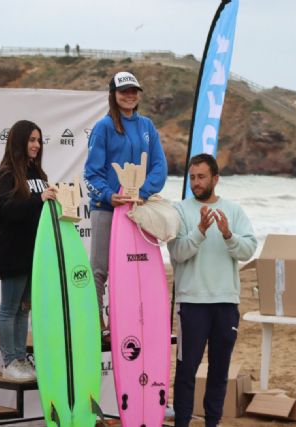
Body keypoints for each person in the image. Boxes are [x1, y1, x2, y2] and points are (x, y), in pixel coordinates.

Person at [167, 154, 257, 427]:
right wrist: (201, 230)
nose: (196, 182)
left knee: (219, 371)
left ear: (215, 178)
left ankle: (212, 422)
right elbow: (178, 252)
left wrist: (229, 234)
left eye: (201, 176)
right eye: (192, 177)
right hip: (191, 303)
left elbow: (249, 250)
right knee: (186, 370)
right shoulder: (179, 211)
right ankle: (182, 422)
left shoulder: (234, 210)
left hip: (226, 303)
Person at [83, 71, 168, 338]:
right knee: (100, 267)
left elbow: (159, 166)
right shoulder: (103, 128)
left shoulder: (147, 127)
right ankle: (97, 320)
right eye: (124, 91)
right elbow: (91, 173)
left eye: (134, 91)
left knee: (136, 266)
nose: (129, 95)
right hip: (107, 208)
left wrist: (143, 192)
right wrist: (109, 195)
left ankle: (131, 317)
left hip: (138, 209)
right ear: (114, 95)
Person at [0, 119, 57, 381]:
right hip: (13, 250)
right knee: (9, 307)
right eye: (31, 140)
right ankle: (9, 360)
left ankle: (21, 357)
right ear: (20, 141)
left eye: (39, 140)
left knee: (24, 308)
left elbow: (40, 210)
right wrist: (38, 199)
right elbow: (8, 209)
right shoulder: (7, 174)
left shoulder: (39, 175)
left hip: (35, 251)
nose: (36, 145)